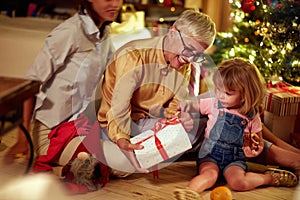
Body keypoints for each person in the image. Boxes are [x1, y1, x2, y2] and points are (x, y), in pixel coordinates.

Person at [4, 0, 123, 168]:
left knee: (128, 154)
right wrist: (23, 140)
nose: (116, 4)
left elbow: (115, 75)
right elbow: (31, 84)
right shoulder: (70, 31)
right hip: (51, 134)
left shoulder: (105, 33)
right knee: (104, 163)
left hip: (81, 127)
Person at [97, 9, 217, 173]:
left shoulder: (184, 60)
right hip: (126, 124)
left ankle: (240, 139)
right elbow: (119, 108)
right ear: (173, 33)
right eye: (189, 50)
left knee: (221, 100)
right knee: (216, 128)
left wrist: (181, 116)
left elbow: (178, 102)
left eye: (197, 55)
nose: (190, 59)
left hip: (157, 119)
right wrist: (122, 140)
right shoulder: (134, 55)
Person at [173, 58, 298, 199]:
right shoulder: (214, 103)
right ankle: (189, 192)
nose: (220, 96)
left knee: (238, 183)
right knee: (208, 176)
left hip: (234, 159)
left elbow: (257, 143)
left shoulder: (251, 116)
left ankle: (270, 178)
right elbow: (192, 105)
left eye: (228, 93)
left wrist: (251, 150)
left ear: (245, 94)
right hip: (210, 155)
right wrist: (182, 108)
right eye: (218, 90)